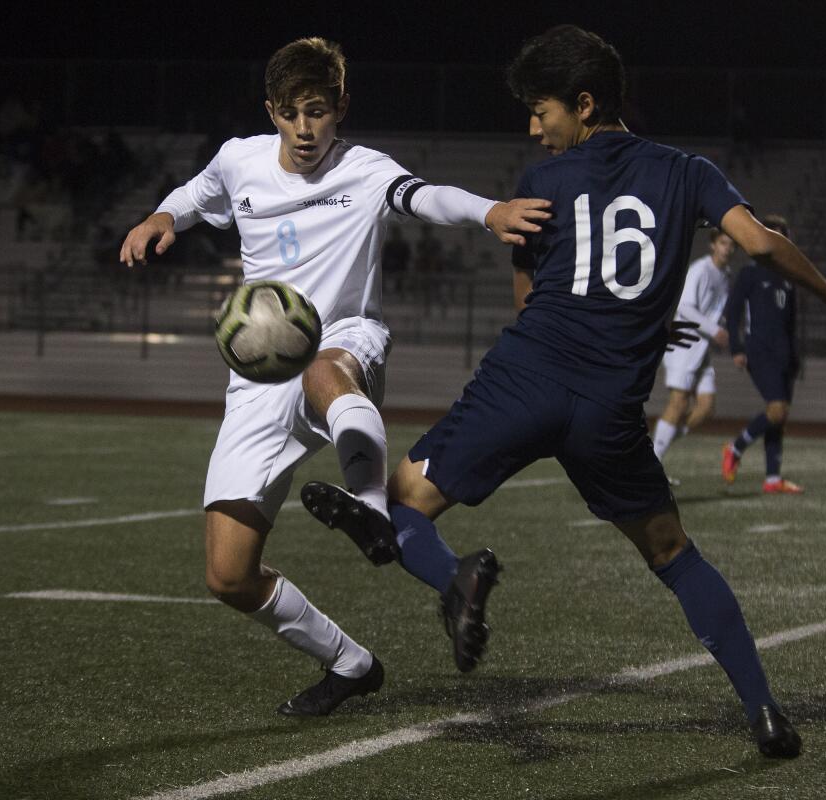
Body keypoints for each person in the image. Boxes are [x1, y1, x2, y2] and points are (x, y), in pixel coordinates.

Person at [306, 25, 826, 757]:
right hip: (609, 410)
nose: (534, 127)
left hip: (523, 383)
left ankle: (454, 580)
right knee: (675, 555)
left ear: (584, 104)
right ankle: (765, 713)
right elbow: (757, 243)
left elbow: (531, 306)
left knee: (396, 507)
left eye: (542, 110)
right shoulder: (688, 171)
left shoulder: (540, 183)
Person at [119, 37, 550, 718]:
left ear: (340, 107)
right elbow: (195, 194)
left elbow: (425, 196)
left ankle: (372, 511)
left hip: (345, 340)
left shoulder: (365, 169)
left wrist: (490, 211)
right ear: (271, 111)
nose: (304, 128)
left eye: (317, 111)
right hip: (259, 379)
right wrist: (159, 218)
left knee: (324, 364)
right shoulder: (240, 160)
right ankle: (350, 663)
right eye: (290, 114)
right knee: (228, 575)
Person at [721, 214, 804, 494]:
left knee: (779, 415)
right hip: (759, 351)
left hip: (783, 355)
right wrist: (737, 347)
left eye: (783, 236)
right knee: (776, 409)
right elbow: (732, 313)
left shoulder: (789, 276)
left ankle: (772, 479)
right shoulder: (750, 273)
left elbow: (791, 322)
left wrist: (795, 357)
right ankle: (735, 447)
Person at [652, 228, 735, 475]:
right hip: (684, 343)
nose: (727, 248)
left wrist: (722, 327)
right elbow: (685, 307)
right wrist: (714, 329)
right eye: (723, 243)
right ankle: (652, 464)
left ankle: (653, 451)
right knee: (678, 403)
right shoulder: (700, 270)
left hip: (702, 348)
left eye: (731, 244)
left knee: (707, 407)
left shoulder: (726, 275)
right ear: (713, 244)